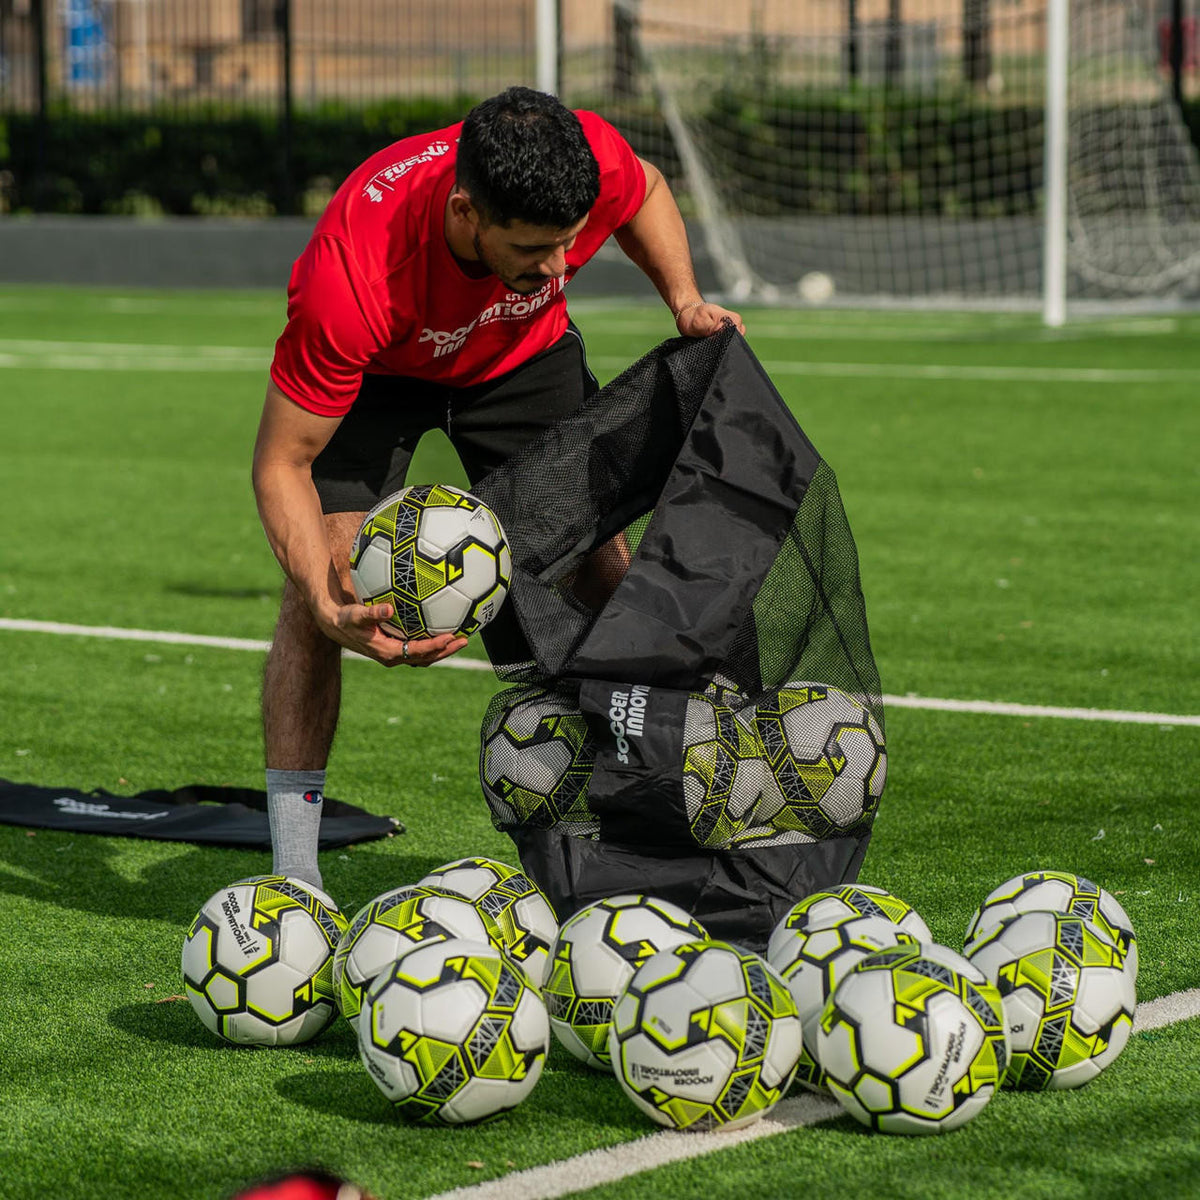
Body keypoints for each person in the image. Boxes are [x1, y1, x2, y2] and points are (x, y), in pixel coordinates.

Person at [252, 86, 744, 889]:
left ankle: (644, 821)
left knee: (597, 570)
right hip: (382, 373)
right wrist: (319, 593)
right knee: (328, 582)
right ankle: (295, 874)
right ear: (465, 212)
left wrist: (684, 300)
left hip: (520, 358)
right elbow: (281, 467)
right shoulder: (352, 276)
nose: (556, 266)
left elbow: (647, 187)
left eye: (569, 244)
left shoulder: (583, 159)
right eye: (532, 250)